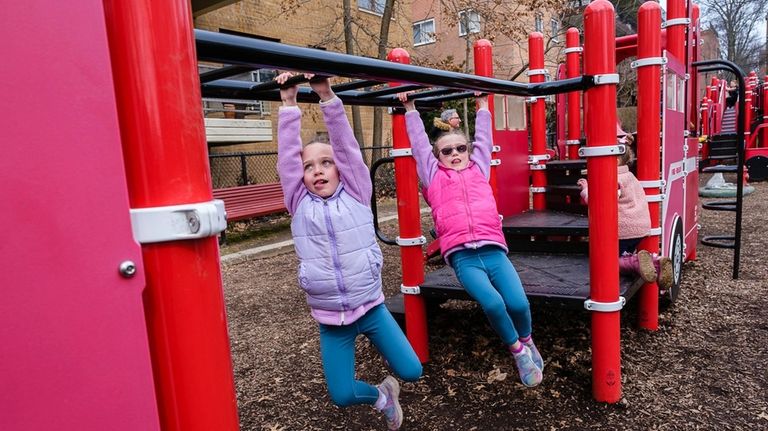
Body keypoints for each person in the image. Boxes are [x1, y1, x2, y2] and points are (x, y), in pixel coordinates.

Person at [276, 72, 422, 431]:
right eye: (309, 166)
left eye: (325, 163)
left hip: (369, 306)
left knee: (412, 370)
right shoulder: (298, 202)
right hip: (330, 317)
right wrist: (289, 106)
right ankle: (381, 396)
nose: (317, 170)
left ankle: (395, 385)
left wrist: (326, 96)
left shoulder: (357, 191)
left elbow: (346, 147)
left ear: (340, 170)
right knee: (341, 395)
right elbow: (286, 162)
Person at [399, 92, 544, 388]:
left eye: (460, 148)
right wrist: (410, 109)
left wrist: (482, 107)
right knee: (492, 304)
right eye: (447, 151)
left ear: (468, 150)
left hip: (493, 251)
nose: (455, 154)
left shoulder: (479, 168)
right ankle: (516, 351)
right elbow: (419, 147)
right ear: (437, 158)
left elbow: (485, 139)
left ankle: (527, 341)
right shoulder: (433, 177)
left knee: (518, 303)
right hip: (464, 258)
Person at [576, 127, 673, 289]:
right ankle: (656, 262)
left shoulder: (614, 179)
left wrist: (586, 190)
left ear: (615, 161)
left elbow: (600, 201)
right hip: (639, 228)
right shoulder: (630, 176)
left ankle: (636, 262)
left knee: (606, 263)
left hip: (623, 230)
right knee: (622, 256)